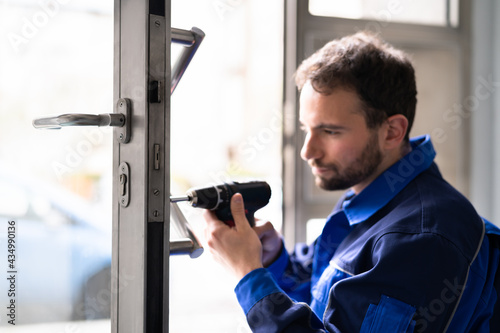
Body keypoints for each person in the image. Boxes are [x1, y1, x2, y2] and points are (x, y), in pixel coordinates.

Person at [202, 31, 500, 332]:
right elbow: (326, 294)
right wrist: (272, 257)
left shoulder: (422, 237)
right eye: (307, 129)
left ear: (392, 132)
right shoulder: (372, 196)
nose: (308, 151)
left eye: (330, 131)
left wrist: (248, 274)